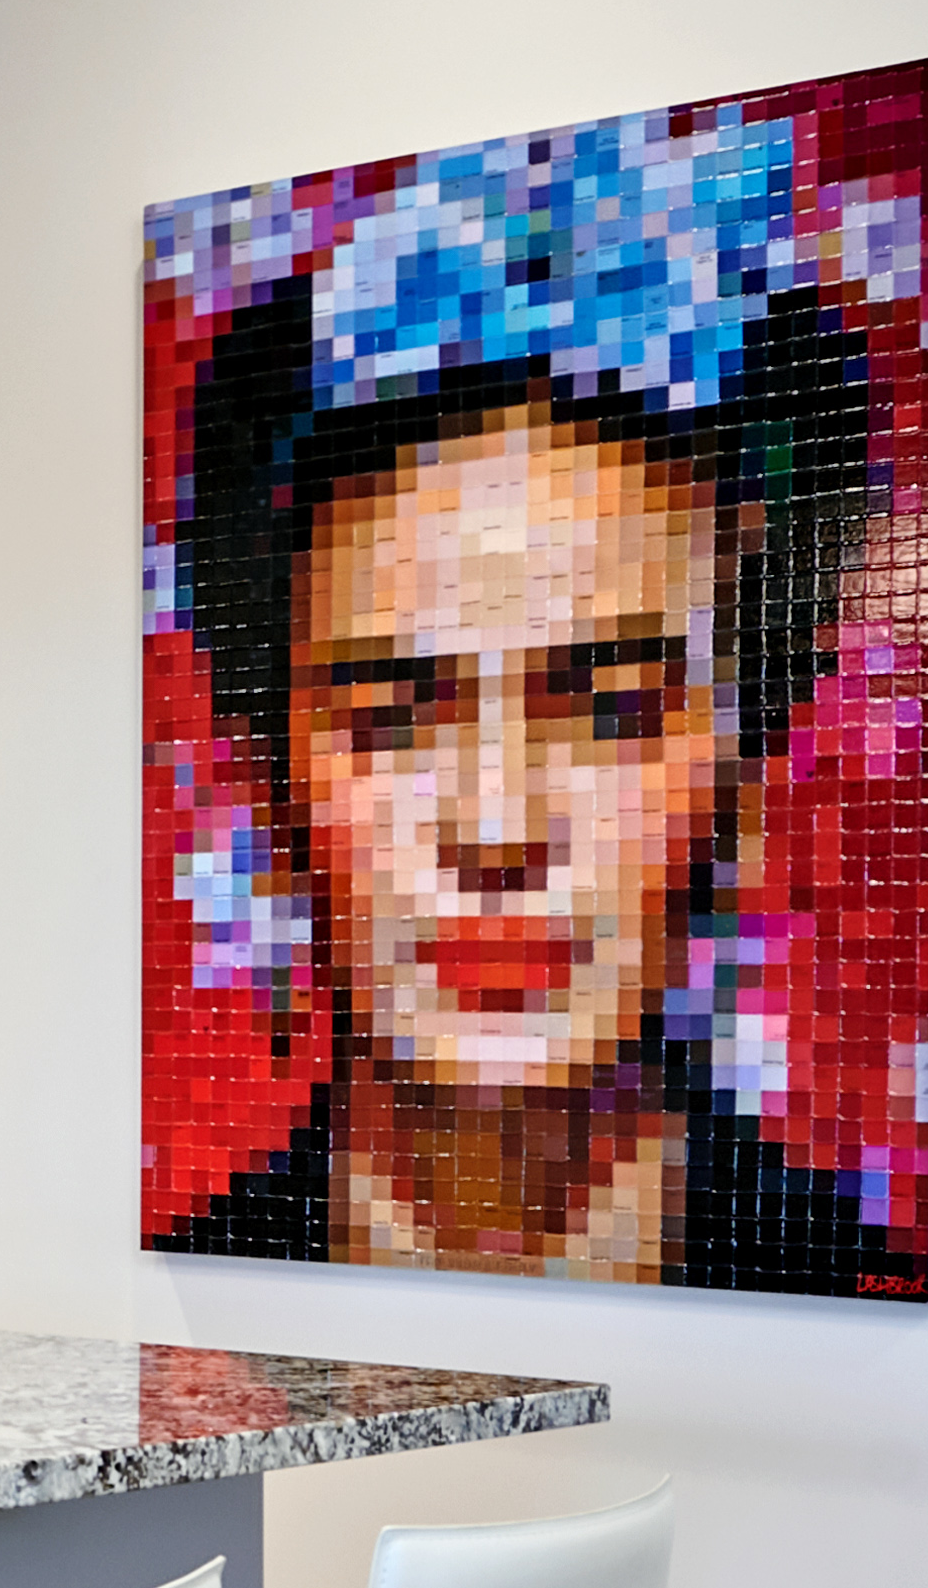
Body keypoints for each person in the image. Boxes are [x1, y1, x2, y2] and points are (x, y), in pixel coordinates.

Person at [156, 280, 889, 1288]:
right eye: (386, 718)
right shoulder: (199, 1296)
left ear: (739, 772)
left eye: (615, 708)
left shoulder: (837, 1280)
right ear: (274, 781)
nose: (495, 829)